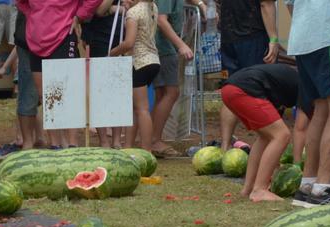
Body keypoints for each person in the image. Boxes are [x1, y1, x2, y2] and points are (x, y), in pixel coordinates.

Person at [286, 0, 330, 207]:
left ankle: (308, 185)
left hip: (304, 37)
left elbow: (289, 3)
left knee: (322, 109)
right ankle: (322, 188)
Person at [16, 0, 101, 149]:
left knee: (67, 94)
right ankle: (55, 144)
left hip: (63, 36)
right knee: (46, 95)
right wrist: (32, 15)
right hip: (35, 40)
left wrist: (79, 16)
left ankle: (72, 144)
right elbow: (20, 2)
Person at [220, 62, 299, 201]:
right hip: (243, 90)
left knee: (266, 137)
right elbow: (302, 128)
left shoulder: (287, 84)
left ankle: (248, 189)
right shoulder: (309, 90)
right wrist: (298, 165)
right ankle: (260, 190)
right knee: (282, 135)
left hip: (229, 90)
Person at [215, 0, 277, 152]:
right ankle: (265, 145)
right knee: (258, 91)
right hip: (253, 36)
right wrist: (274, 39)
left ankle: (225, 145)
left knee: (231, 90)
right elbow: (266, 4)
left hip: (228, 38)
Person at [150, 0, 204, 156]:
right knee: (171, 93)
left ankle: (152, 139)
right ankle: (155, 140)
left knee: (162, 94)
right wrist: (181, 45)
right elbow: (161, 20)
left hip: (161, 47)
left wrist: (201, 4)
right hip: (164, 48)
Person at [110, 0, 159, 151]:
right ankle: (128, 146)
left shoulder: (133, 13)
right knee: (135, 108)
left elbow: (129, 43)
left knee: (142, 109)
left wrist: (112, 53)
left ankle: (146, 150)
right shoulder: (152, 6)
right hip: (153, 60)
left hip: (139, 63)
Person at [0, 8, 43, 156]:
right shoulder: (24, 20)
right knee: (28, 99)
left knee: (34, 100)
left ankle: (35, 138)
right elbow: (19, 45)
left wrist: (5, 66)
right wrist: (5, 66)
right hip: (26, 54)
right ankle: (27, 139)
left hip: (41, 49)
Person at [79, 0, 121, 148]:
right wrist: (114, 8)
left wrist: (118, 9)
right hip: (100, 38)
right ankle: (104, 141)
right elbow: (99, 10)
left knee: (117, 91)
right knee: (100, 91)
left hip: (119, 35)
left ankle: (116, 141)